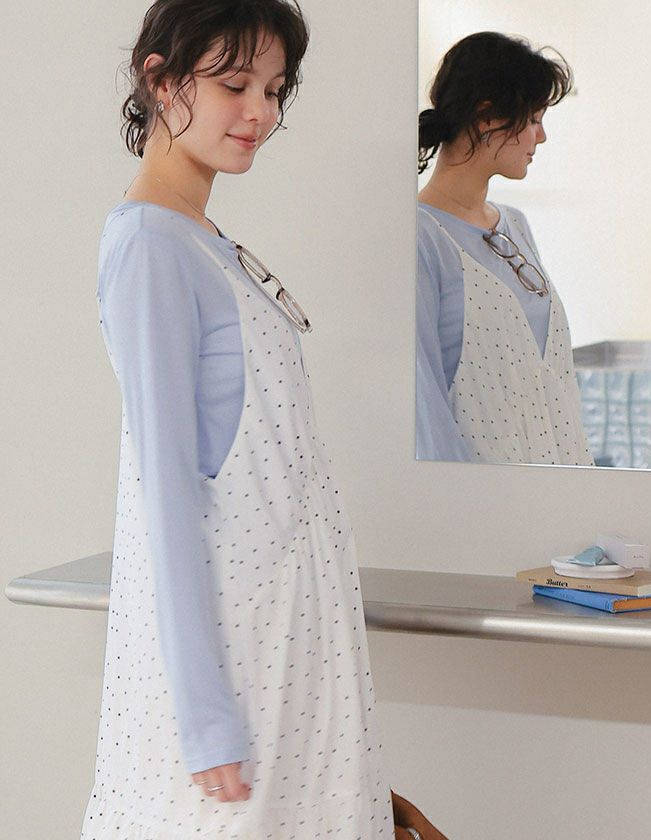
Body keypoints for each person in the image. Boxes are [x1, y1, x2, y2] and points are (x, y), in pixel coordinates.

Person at [79, 2, 440, 836]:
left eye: (275, 90)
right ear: (161, 80)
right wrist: (205, 714)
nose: (261, 113)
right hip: (236, 658)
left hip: (287, 638)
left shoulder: (202, 239)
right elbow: (163, 492)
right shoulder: (151, 248)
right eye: (235, 85)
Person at [416, 31, 594, 467]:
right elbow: (426, 410)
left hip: (563, 485)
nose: (542, 136)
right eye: (533, 118)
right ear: (486, 117)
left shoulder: (516, 225)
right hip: (486, 498)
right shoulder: (421, 237)